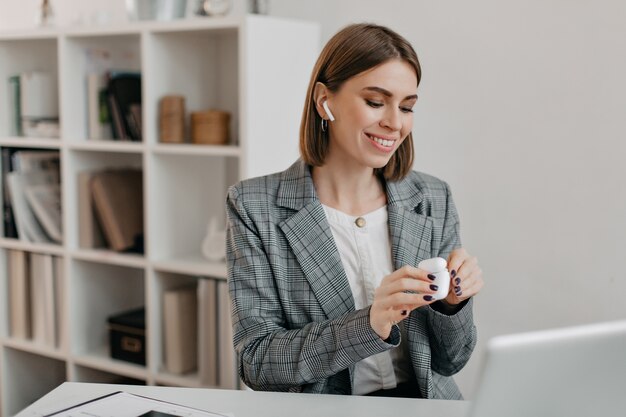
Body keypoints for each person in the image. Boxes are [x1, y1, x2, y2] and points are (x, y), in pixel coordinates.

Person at [225, 22, 484, 399]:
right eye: (376, 102)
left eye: (407, 106)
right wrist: (369, 324)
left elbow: (452, 361)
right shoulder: (253, 206)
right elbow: (258, 362)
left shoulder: (432, 197)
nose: (395, 123)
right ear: (323, 101)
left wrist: (452, 306)